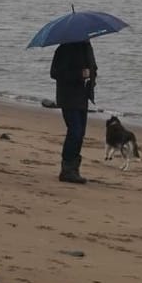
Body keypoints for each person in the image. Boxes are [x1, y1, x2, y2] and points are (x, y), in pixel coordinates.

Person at [49, 39, 97, 184]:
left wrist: (91, 75)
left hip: (82, 96)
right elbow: (55, 73)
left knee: (80, 132)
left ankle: (73, 168)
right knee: (75, 131)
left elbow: (93, 68)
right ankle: (67, 169)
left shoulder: (87, 47)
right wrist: (79, 74)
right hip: (67, 96)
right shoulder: (63, 49)